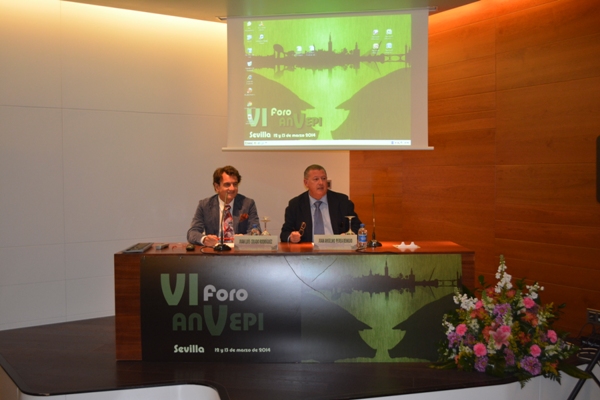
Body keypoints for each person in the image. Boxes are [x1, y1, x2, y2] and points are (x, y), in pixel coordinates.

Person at [280, 164, 361, 243]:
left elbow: (357, 226)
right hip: (307, 250)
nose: (321, 183)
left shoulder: (342, 201)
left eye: (323, 178)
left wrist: (347, 236)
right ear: (306, 183)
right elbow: (285, 233)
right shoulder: (295, 205)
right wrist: (291, 237)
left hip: (336, 248)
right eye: (316, 179)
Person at [187, 165, 260, 247]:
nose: (232, 188)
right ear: (217, 187)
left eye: (235, 184)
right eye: (227, 184)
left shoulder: (248, 204)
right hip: (215, 252)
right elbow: (192, 233)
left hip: (239, 251)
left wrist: (244, 239)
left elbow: (256, 231)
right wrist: (204, 239)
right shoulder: (205, 205)